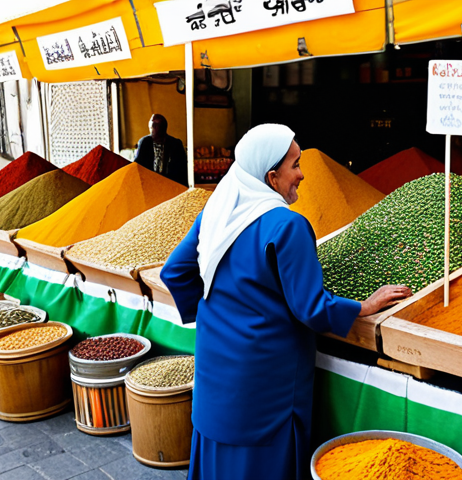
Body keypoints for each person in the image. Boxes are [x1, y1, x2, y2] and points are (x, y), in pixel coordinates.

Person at [161, 124, 412, 480]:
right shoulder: (287, 225)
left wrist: (213, 310)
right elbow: (311, 309)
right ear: (272, 176)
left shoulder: (216, 214)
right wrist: (363, 307)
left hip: (216, 365)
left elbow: (175, 271)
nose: (302, 174)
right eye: (295, 164)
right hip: (265, 380)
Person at [134, 114, 188, 186]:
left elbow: (182, 170)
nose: (152, 130)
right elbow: (138, 165)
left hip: (170, 185)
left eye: (153, 127)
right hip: (149, 184)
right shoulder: (145, 142)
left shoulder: (175, 144)